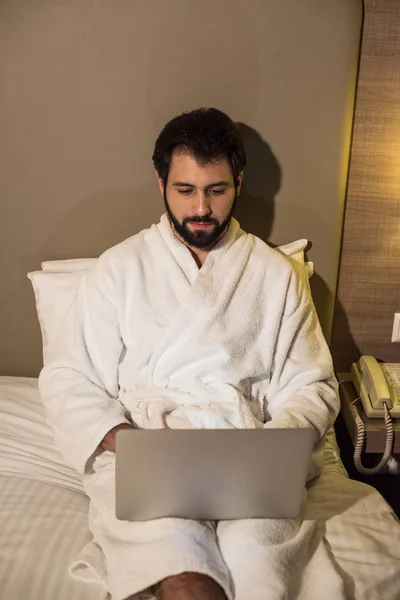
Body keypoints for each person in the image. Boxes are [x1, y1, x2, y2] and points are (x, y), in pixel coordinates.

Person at [39, 107, 342, 600]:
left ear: (238, 183)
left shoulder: (274, 274)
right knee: (184, 574)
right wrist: (122, 439)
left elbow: (312, 383)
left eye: (216, 190)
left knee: (260, 571)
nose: (200, 207)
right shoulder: (119, 269)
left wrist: (276, 445)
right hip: (150, 446)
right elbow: (69, 375)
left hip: (247, 449)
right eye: (185, 190)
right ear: (161, 183)